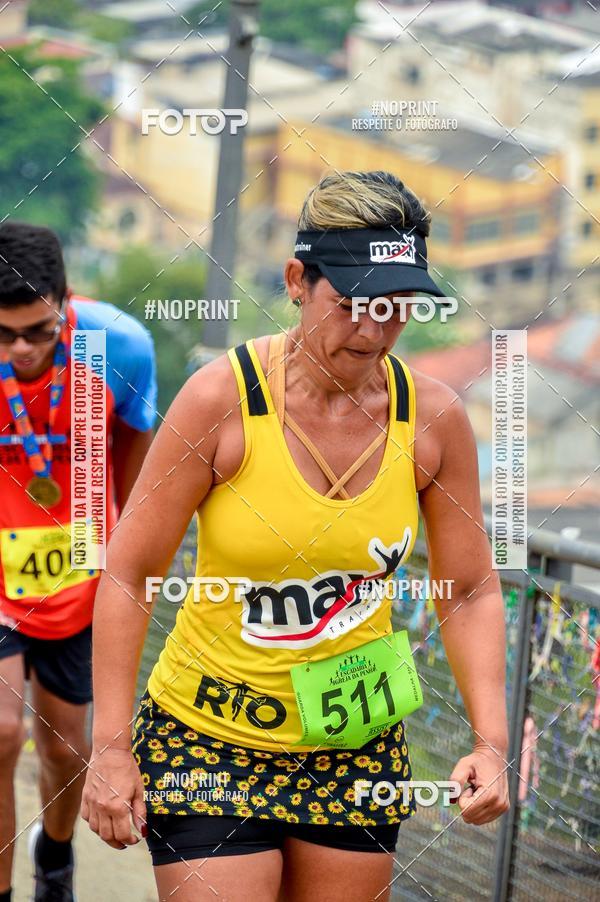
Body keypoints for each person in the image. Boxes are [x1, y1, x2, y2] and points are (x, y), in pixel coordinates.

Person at [81, 170, 509, 902]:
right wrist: (111, 748)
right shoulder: (222, 398)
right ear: (296, 282)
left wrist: (492, 742)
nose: (374, 331)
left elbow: (468, 589)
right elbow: (130, 573)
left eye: (396, 307)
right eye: (351, 306)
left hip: (355, 742)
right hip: (208, 735)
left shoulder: (432, 419)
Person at [0, 222, 157, 902]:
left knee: (65, 753)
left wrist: (118, 573)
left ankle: (55, 859)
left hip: (81, 577)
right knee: (0, 735)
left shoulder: (119, 346)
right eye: (3, 335)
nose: (22, 349)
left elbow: (137, 488)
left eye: (38, 330)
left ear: (67, 303)